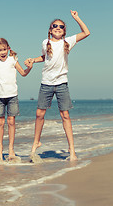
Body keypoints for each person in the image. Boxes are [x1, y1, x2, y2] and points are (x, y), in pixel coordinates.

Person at [25, 10, 90, 161]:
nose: (58, 28)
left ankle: (72, 150)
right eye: (55, 26)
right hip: (46, 83)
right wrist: (33, 60)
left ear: (64, 31)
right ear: (50, 29)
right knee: (39, 114)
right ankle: (36, 142)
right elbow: (45, 57)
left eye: (61, 26)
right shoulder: (45, 42)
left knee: (65, 115)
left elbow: (86, 32)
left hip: (61, 84)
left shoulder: (68, 42)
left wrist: (76, 18)